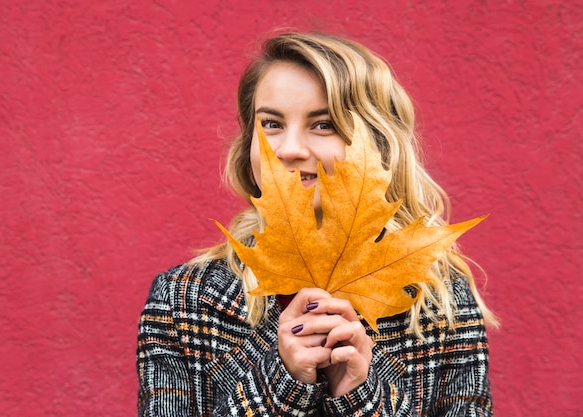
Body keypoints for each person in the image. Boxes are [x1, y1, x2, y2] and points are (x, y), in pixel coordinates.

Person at [136, 32, 497, 416]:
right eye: (271, 124)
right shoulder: (182, 302)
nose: (289, 149)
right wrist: (282, 382)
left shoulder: (441, 303)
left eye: (323, 125)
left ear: (377, 145)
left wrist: (362, 394)